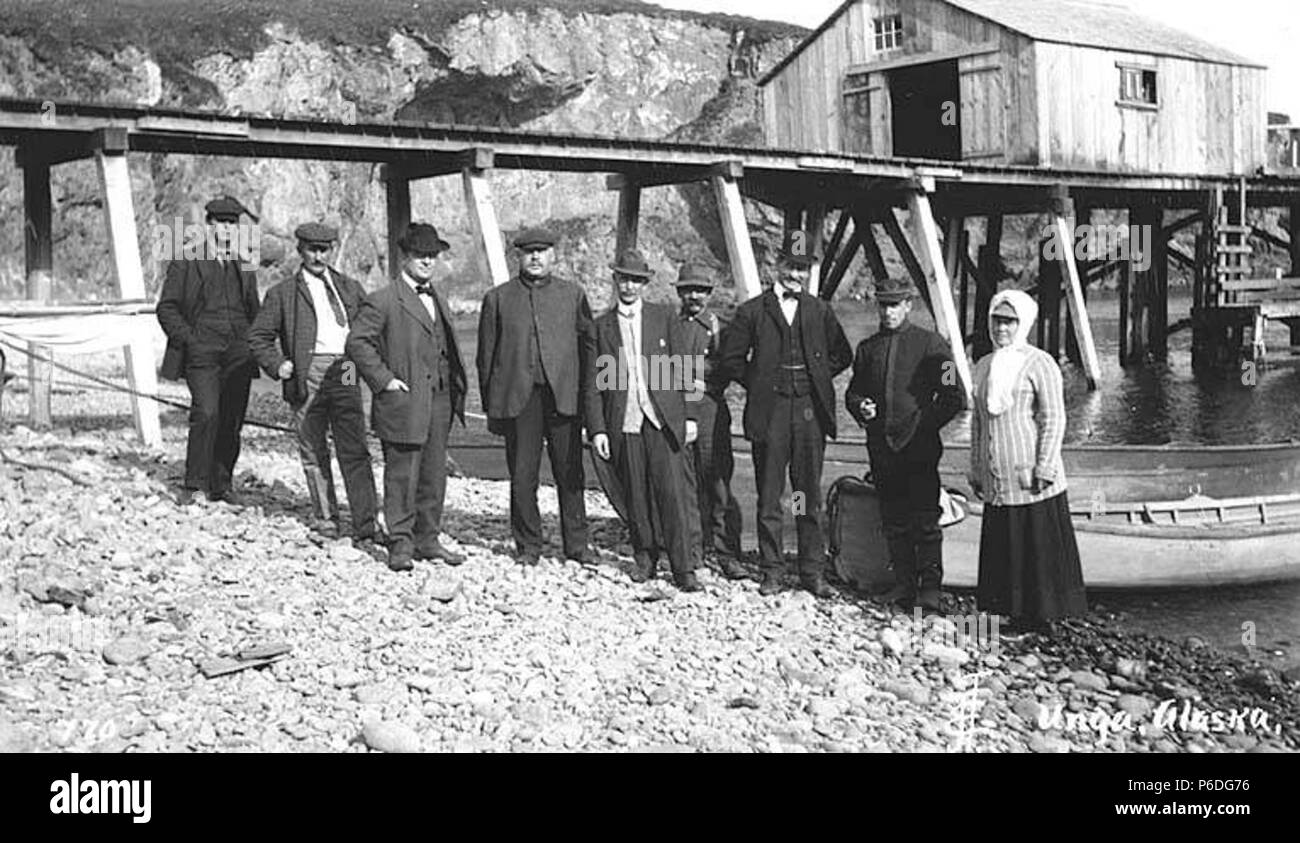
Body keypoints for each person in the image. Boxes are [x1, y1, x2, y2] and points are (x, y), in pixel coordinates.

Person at [713, 233, 852, 597]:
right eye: (792, 266)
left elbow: (843, 354)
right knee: (771, 495)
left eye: (803, 269)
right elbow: (730, 360)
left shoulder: (819, 310)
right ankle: (771, 571)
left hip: (808, 413)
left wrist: (816, 379)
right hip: (770, 413)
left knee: (806, 494)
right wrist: (760, 383)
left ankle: (811, 572)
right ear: (778, 266)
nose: (796, 275)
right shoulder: (752, 311)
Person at [248, 222, 380, 551]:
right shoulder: (283, 293)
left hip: (346, 365)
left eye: (324, 249)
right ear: (300, 251)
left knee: (355, 447)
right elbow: (259, 337)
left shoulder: (350, 288)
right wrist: (279, 365)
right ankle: (326, 520)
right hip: (308, 371)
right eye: (312, 249)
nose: (319, 255)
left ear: (331, 250)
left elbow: (371, 331)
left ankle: (367, 523)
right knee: (312, 448)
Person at [345, 223, 467, 572]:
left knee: (433, 473)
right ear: (406, 257)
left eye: (433, 255)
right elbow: (356, 343)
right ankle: (400, 541)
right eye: (421, 255)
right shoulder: (384, 299)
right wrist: (384, 381)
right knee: (402, 474)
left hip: (440, 400)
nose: (428, 261)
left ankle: (427, 538)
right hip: (403, 400)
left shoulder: (438, 297)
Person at [846, 276, 966, 613]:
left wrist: (923, 427)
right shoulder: (867, 349)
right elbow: (853, 392)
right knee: (893, 518)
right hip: (882, 448)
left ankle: (930, 590)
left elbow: (953, 397)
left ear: (908, 306)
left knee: (926, 519)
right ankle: (902, 584)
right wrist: (860, 407)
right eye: (883, 305)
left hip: (920, 447)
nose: (888, 312)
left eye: (895, 305)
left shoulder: (933, 345)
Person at [969, 289, 1086, 634]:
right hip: (997, 475)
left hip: (1030, 473)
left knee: (1034, 541)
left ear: (1023, 324)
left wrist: (1045, 465)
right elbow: (978, 422)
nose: (1001, 328)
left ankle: (1042, 617)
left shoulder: (1040, 363)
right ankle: (1012, 614)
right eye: (997, 320)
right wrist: (976, 467)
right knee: (1006, 543)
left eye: (1009, 321)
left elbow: (1054, 417)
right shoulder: (984, 364)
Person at [477, 227, 596, 567]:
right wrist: (493, 409)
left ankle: (577, 545)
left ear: (552, 255)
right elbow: (486, 357)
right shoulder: (498, 298)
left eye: (542, 251)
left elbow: (589, 350)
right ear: (518, 256)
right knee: (523, 474)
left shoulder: (573, 295)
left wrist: (590, 403)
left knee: (570, 473)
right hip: (519, 400)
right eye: (529, 252)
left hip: (564, 397)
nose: (535, 257)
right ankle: (528, 545)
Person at [586, 249, 701, 592]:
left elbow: (684, 371)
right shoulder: (601, 326)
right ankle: (645, 559)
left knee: (672, 495)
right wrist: (597, 429)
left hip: (663, 420)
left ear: (644, 284)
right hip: (625, 421)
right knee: (636, 494)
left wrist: (690, 417)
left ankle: (683, 568)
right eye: (625, 278)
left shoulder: (663, 317)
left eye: (636, 280)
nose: (630, 286)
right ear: (616, 281)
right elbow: (594, 384)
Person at [156, 195, 261, 505]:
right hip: (202, 350)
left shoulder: (245, 263)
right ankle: (194, 485)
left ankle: (222, 484)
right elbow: (167, 308)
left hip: (239, 351)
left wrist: (259, 345)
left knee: (231, 419)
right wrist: (190, 340)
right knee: (206, 412)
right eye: (222, 222)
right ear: (210, 224)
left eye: (233, 223)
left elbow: (254, 310)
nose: (228, 229)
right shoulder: (187, 259)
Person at [674, 262, 746, 580]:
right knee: (684, 480)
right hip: (676, 408)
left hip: (710, 410)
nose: (694, 296)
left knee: (717, 479)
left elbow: (730, 367)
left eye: (700, 290)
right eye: (688, 289)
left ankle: (726, 552)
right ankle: (692, 548)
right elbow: (657, 366)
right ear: (679, 292)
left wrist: (701, 380)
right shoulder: (669, 325)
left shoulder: (721, 327)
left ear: (709, 294)